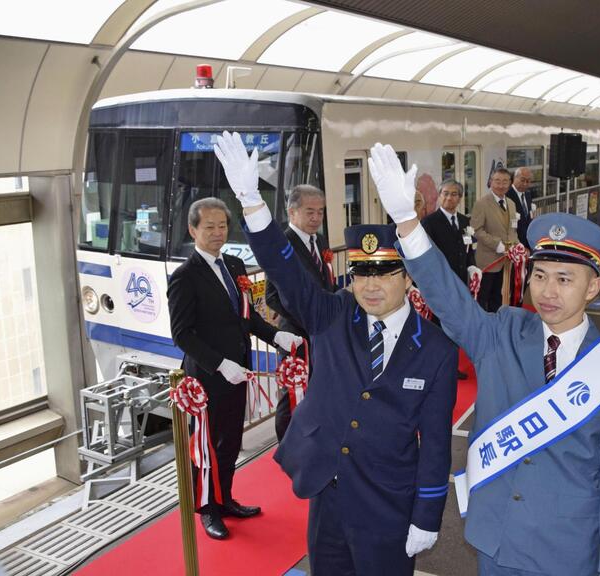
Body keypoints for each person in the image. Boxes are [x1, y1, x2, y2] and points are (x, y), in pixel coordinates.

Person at [368, 142, 600, 576]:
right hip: (495, 540)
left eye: (564, 279)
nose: (548, 291)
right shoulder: (502, 333)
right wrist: (407, 223)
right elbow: (451, 300)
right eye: (539, 276)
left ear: (592, 288)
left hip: (567, 550)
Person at [213, 132, 458, 576]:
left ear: (408, 278)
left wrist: (427, 513)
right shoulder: (332, 314)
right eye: (361, 272)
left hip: (389, 502)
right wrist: (251, 202)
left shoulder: (436, 350)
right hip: (328, 494)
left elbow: (437, 443)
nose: (370, 284)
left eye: (384, 272)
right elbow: (286, 269)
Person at [168, 197, 299, 540]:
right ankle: (208, 510)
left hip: (239, 370)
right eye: (208, 226)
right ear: (192, 230)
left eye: (222, 225)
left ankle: (225, 499)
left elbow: (247, 317)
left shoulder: (235, 265)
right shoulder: (184, 277)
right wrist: (220, 364)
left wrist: (277, 337)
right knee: (207, 447)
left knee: (230, 441)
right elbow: (181, 334)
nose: (217, 232)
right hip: (207, 379)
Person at [265, 184, 337, 442]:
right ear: (292, 212)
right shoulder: (282, 245)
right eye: (310, 212)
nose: (316, 218)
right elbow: (271, 297)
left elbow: (326, 282)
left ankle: (314, 437)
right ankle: (286, 445)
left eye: (320, 212)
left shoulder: (320, 241)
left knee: (318, 388)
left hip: (322, 332)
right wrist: (307, 317)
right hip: (296, 335)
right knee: (292, 393)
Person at [471, 168, 520, 312]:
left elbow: (512, 228)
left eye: (505, 182)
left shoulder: (511, 203)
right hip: (487, 261)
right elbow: (476, 230)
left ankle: (496, 325)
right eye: (497, 181)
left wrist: (516, 245)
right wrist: (496, 244)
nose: (501, 185)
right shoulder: (481, 203)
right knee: (483, 297)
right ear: (490, 182)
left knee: (499, 297)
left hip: (506, 262)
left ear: (510, 183)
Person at [421, 178, 479, 298]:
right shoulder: (429, 222)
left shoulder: (465, 220)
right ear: (439, 196)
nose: (449, 198)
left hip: (462, 280)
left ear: (460, 198)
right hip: (441, 281)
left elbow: (468, 248)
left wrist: (472, 266)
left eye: (454, 194)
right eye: (445, 193)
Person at [506, 167, 535, 247]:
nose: (525, 184)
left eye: (528, 181)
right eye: (522, 180)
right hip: (513, 243)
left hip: (527, 242)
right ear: (515, 178)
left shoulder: (528, 194)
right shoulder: (507, 195)